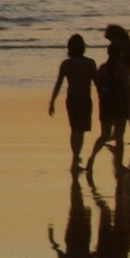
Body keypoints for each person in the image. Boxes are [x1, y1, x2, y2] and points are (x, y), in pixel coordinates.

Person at [47, 33, 98, 171]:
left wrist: (52, 101)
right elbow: (97, 82)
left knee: (74, 130)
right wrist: (102, 97)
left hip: (71, 99)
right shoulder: (89, 63)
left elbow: (58, 84)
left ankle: (75, 159)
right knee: (80, 131)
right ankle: (75, 159)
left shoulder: (66, 64)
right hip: (84, 99)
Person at [88, 41, 130, 169]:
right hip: (119, 104)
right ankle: (119, 164)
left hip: (106, 104)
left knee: (104, 135)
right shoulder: (122, 69)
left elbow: (98, 86)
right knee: (119, 137)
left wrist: (102, 98)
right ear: (120, 54)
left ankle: (91, 158)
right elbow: (127, 88)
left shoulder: (102, 68)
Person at [104, 24, 130, 141]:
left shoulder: (121, 45)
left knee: (122, 105)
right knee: (127, 105)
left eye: (110, 39)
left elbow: (119, 63)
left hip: (126, 78)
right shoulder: (128, 43)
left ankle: (120, 132)